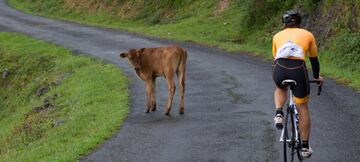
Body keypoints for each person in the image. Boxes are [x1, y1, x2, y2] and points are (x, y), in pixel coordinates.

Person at [272, 10, 324, 158]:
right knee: (302, 107)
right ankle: (305, 147)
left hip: (279, 69)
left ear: (284, 24)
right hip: (298, 71)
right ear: (299, 23)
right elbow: (314, 60)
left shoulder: (277, 36)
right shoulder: (308, 34)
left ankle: (279, 113)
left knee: (280, 87)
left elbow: (276, 57)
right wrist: (316, 77)